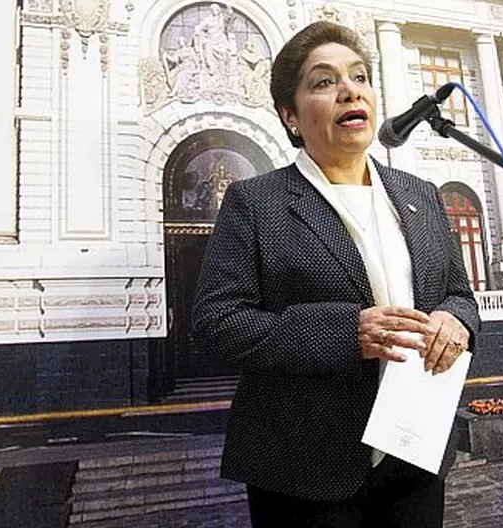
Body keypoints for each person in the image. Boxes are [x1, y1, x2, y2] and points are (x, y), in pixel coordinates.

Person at [191, 21, 480, 528]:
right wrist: (347, 332)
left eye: (360, 77)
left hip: (414, 455)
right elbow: (217, 323)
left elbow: (459, 296)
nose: (350, 90)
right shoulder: (256, 203)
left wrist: (456, 322)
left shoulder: (421, 195)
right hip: (303, 467)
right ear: (292, 116)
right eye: (324, 82)